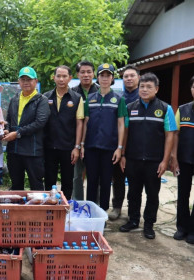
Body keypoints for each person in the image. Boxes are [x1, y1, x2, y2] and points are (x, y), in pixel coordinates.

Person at [119, 72, 176, 239]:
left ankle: (149, 224)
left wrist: (165, 161)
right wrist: (123, 155)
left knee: (152, 194)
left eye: (148, 87)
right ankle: (133, 220)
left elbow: (170, 136)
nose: (144, 89)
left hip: (154, 161)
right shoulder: (130, 108)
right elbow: (126, 133)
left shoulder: (165, 109)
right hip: (133, 159)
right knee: (133, 193)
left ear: (156, 89)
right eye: (142, 86)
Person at [81, 63, 126, 212]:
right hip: (91, 147)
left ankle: (103, 213)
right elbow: (85, 122)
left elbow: (121, 125)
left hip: (109, 148)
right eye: (102, 75)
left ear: (112, 78)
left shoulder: (119, 99)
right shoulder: (90, 98)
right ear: (97, 78)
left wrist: (119, 148)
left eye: (108, 75)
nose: (105, 78)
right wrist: (81, 144)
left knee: (106, 182)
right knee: (92, 181)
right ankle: (90, 212)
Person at [3, 66, 50, 190]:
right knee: (16, 186)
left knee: (36, 186)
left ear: (36, 81)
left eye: (29, 79)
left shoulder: (42, 100)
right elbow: (8, 119)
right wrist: (7, 129)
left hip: (32, 151)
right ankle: (17, 210)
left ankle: (37, 210)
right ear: (19, 81)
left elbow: (39, 122)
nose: (26, 82)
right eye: (23, 79)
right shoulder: (15, 99)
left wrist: (17, 133)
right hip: (14, 150)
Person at [43, 65, 84, 199]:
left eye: (64, 76)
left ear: (70, 78)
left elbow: (79, 123)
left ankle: (65, 209)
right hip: (49, 146)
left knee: (67, 181)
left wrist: (76, 147)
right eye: (58, 76)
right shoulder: (45, 97)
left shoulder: (77, 98)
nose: (61, 79)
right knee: (49, 180)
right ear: (54, 78)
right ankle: (50, 209)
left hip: (68, 147)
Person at [109, 65, 140, 220]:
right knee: (118, 178)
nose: (128, 78)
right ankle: (117, 207)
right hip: (119, 143)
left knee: (135, 181)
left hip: (137, 145)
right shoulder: (117, 97)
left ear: (138, 78)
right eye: (126, 76)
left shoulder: (143, 96)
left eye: (132, 76)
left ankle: (133, 211)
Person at [170, 76, 194, 244]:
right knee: (183, 194)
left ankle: (193, 230)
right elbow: (175, 134)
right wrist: (174, 157)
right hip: (184, 160)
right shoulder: (183, 109)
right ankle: (182, 227)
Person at [71, 61, 100, 200]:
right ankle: (77, 204)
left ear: (93, 74)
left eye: (89, 72)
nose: (86, 75)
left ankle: (95, 205)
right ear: (77, 74)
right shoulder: (72, 93)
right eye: (82, 72)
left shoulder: (102, 92)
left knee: (96, 175)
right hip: (76, 140)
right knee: (77, 175)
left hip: (97, 140)